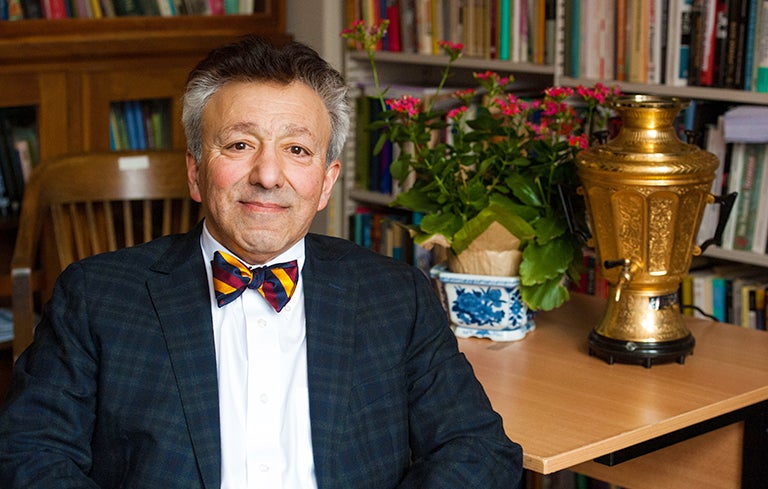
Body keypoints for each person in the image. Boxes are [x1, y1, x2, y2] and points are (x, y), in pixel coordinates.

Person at [0, 36, 523, 488]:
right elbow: (30, 454)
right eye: (240, 144)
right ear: (196, 172)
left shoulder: (398, 297)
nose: (269, 175)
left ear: (326, 181)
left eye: (297, 150)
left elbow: (477, 449)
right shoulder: (95, 297)